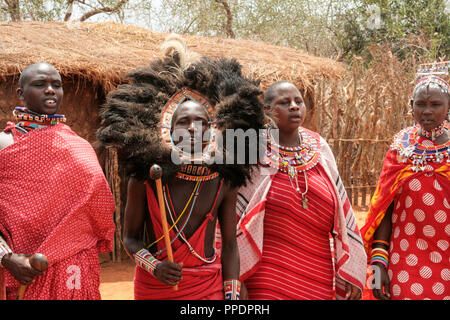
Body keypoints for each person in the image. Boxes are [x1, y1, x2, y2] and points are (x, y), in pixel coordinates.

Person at [96, 37, 265, 300]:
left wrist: (231, 295)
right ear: (168, 130)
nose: (193, 128)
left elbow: (230, 246)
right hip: (155, 287)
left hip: (207, 287)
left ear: (213, 131)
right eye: (183, 122)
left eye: (201, 122)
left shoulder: (223, 179)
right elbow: (130, 239)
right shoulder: (147, 177)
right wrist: (155, 266)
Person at [236, 80, 367, 300]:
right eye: (284, 102)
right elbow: (235, 214)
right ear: (266, 110)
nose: (295, 106)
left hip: (317, 272)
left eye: (298, 101)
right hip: (266, 273)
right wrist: (236, 280)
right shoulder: (253, 149)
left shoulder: (319, 146)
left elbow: (343, 211)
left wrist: (351, 269)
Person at [0, 62, 115, 300]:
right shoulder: (4, 144)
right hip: (24, 271)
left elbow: (99, 210)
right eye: (40, 84)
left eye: (57, 85)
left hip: (76, 268)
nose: (51, 90)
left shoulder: (79, 146)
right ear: (20, 94)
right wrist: (6, 257)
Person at [361, 74, 449, 300]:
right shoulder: (401, 146)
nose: (427, 111)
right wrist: (378, 262)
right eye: (420, 104)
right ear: (411, 106)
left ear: (448, 106)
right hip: (405, 257)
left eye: (435, 104)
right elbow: (384, 207)